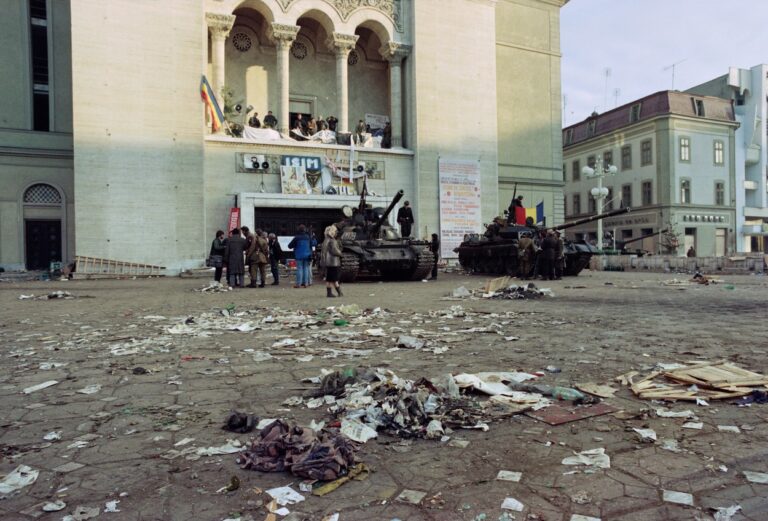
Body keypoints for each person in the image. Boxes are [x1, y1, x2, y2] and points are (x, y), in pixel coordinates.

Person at [321, 225, 343, 298]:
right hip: (333, 262)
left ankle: (329, 293)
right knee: (334, 278)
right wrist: (340, 253)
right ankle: (339, 292)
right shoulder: (332, 240)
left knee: (329, 279)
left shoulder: (326, 240)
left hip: (328, 262)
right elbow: (334, 251)